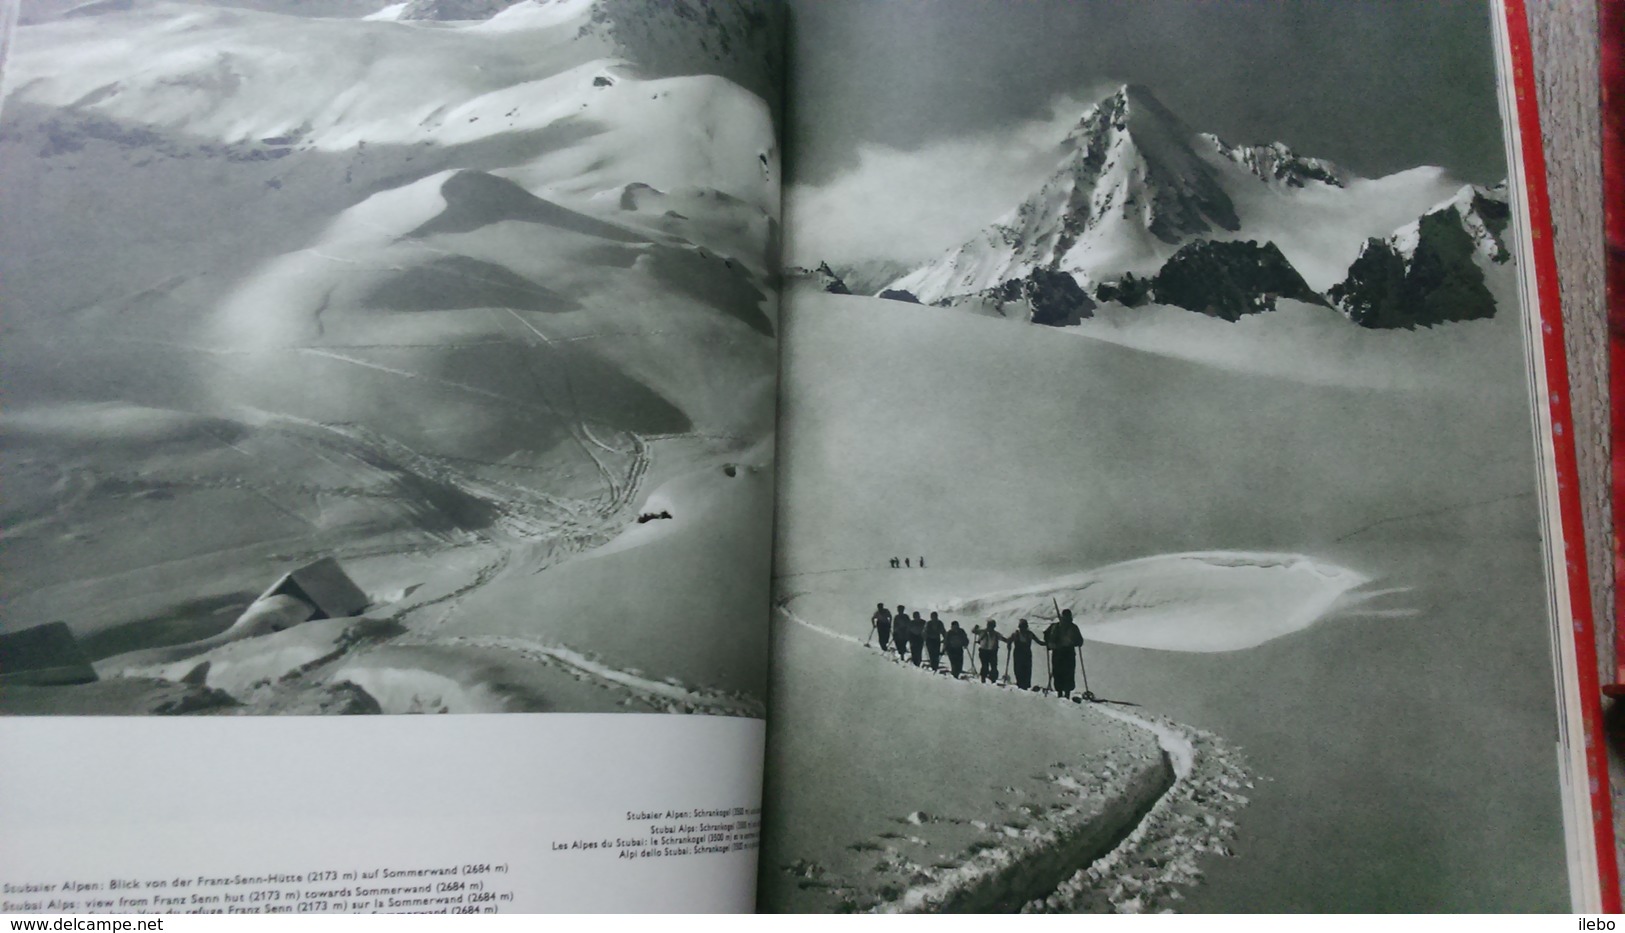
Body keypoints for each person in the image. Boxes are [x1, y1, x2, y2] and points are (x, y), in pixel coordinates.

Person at [1049, 608, 1085, 700]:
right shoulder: (1056, 627)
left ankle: (1066, 693)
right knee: (1058, 673)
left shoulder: (1073, 627)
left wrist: (1074, 642)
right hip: (1059, 653)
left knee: (1068, 673)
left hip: (1068, 653)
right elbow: (1050, 639)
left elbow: (1080, 641)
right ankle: (1060, 693)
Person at [1005, 619, 1043, 690]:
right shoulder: (1016, 634)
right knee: (1018, 670)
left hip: (1026, 655)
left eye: (1024, 627)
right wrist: (1009, 645)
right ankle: (1020, 685)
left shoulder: (1029, 634)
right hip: (1018, 655)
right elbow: (1009, 640)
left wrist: (1047, 643)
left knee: (1027, 671)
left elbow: (1039, 642)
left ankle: (1025, 686)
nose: (1023, 629)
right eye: (1021, 627)